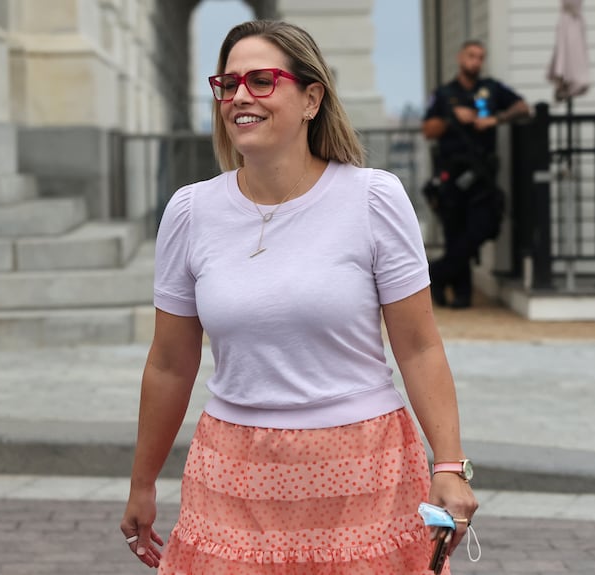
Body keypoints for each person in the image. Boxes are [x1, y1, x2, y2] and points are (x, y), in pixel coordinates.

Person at [120, 20, 477, 575]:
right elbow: (170, 363)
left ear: (312, 98)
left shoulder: (372, 199)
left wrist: (450, 465)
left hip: (366, 475)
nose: (240, 96)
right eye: (228, 83)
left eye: (262, 80)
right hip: (230, 474)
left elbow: (419, 347)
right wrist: (142, 484)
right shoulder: (190, 212)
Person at [423, 40, 529, 309]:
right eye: (471, 56)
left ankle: (436, 273)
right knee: (455, 234)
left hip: (482, 175)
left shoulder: (490, 89)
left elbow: (523, 107)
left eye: (480, 57)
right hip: (452, 175)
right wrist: (452, 119)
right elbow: (428, 130)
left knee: (482, 227)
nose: (475, 61)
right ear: (460, 57)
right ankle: (461, 295)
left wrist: (496, 119)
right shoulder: (445, 94)